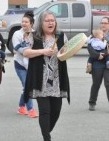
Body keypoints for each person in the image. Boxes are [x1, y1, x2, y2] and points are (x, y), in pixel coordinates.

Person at [23, 11, 70, 141]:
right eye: (47, 20)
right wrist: (43, 51)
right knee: (45, 111)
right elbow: (25, 52)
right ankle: (46, 138)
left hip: (57, 81)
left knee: (56, 112)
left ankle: (46, 131)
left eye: (52, 20)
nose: (50, 23)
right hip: (40, 81)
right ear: (41, 23)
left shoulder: (61, 36)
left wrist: (67, 52)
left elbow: (67, 52)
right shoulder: (33, 36)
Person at [88, 17, 109, 114]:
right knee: (96, 84)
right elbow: (90, 49)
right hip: (97, 63)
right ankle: (92, 102)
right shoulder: (94, 35)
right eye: (102, 23)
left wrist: (103, 54)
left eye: (105, 23)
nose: (103, 25)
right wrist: (98, 55)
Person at [12, 11, 38, 118]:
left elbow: (38, 47)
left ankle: (21, 107)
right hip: (20, 64)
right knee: (27, 86)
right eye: (22, 21)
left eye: (26, 22)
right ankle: (31, 109)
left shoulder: (35, 34)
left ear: (31, 23)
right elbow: (18, 48)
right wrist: (27, 50)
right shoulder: (17, 34)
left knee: (26, 86)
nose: (24, 23)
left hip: (31, 64)